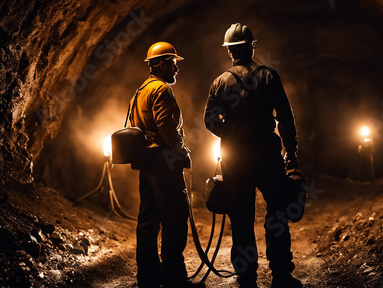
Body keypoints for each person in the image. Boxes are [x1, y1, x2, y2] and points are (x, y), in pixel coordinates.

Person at [203, 23, 302, 288]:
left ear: (229, 52)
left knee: (241, 218)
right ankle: (281, 275)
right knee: (277, 216)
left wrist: (230, 133)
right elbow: (284, 117)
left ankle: (247, 278)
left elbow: (209, 120)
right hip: (267, 154)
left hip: (236, 159)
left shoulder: (220, 82)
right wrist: (290, 150)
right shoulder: (269, 76)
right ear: (251, 47)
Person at [129, 42, 204, 288]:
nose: (176, 68)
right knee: (175, 216)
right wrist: (182, 152)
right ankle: (174, 279)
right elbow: (166, 127)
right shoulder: (160, 89)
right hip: (163, 160)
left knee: (148, 218)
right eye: (172, 62)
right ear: (160, 63)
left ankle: (148, 277)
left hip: (147, 161)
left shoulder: (140, 90)